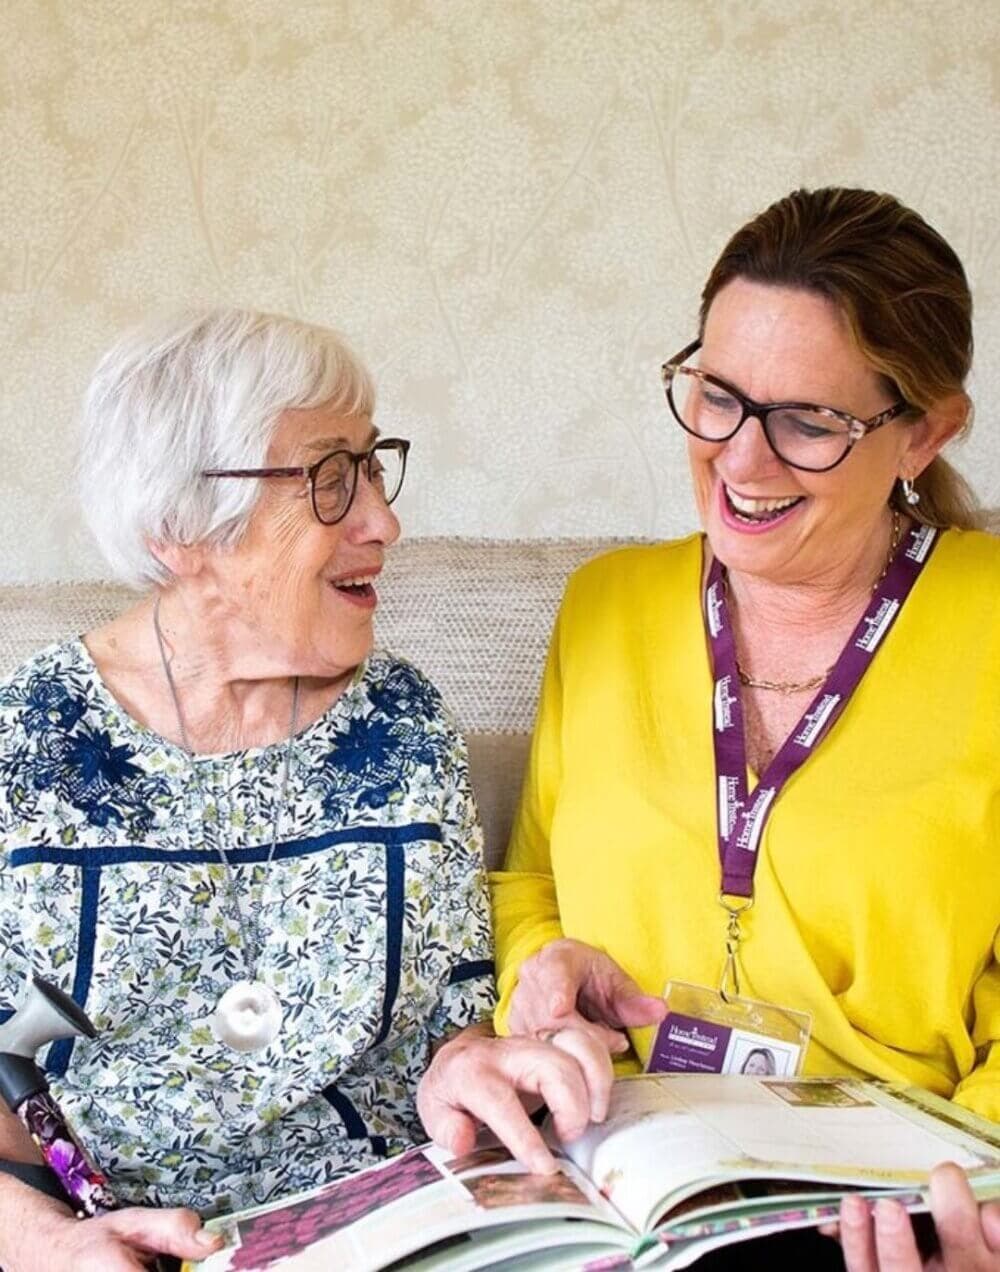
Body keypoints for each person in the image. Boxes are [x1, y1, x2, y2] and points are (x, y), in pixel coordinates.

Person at [490, 188, 1000, 1270]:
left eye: (808, 422)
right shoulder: (605, 605)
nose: (740, 461)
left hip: (890, 1201)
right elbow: (529, 882)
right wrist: (542, 975)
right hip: (622, 1175)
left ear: (925, 432)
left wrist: (971, 1196)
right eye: (717, 397)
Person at [0, 308, 520, 1271]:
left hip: (399, 1229)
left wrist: (474, 1067)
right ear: (180, 527)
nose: (383, 521)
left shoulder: (400, 722)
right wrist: (47, 1245)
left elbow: (455, 1023)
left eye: (373, 467)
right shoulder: (26, 745)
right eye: (330, 478)